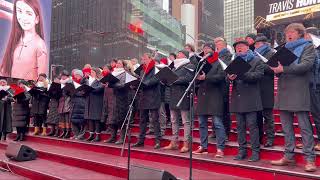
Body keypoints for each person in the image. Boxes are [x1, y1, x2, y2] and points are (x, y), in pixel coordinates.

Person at [270, 23, 317, 172]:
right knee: (286, 128)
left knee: (304, 127)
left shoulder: (308, 47)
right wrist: (276, 69)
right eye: (286, 33)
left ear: (299, 33)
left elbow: (306, 65)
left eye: (291, 32)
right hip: (284, 90)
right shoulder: (283, 49)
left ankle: (310, 159)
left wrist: (284, 69)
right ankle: (288, 156)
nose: (288, 35)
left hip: (299, 90)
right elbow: (279, 69)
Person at [229, 40, 264, 162]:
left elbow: (258, 76)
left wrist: (242, 74)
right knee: (240, 127)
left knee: (252, 126)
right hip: (237, 98)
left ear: (247, 48)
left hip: (251, 99)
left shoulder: (256, 60)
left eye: (241, 47)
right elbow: (227, 76)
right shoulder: (234, 61)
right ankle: (242, 151)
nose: (238, 49)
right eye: (237, 47)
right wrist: (229, 77)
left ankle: (255, 152)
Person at [192, 43, 226, 157]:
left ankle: (220, 148)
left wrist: (206, 77)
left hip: (215, 95)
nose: (205, 50)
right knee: (202, 123)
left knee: (217, 123)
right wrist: (197, 78)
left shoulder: (219, 62)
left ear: (213, 50)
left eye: (208, 49)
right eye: (204, 49)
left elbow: (221, 76)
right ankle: (203, 146)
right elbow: (196, 79)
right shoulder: (201, 63)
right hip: (202, 95)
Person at [0, 0, 48, 80]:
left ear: (37, 19)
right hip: (10, 89)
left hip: (25, 91)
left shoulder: (39, 45)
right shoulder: (15, 40)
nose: (23, 18)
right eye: (19, 11)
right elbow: (4, 70)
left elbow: (41, 81)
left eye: (28, 13)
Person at [163, 50, 195, 153]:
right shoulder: (174, 67)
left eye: (180, 53)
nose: (177, 55)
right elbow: (169, 82)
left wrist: (173, 80)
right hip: (173, 95)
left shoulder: (190, 65)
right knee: (173, 120)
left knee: (186, 121)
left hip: (183, 94)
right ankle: (174, 142)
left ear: (185, 55)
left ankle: (186, 143)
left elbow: (188, 78)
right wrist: (165, 80)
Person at [132, 53, 161, 149]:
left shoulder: (156, 68)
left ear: (150, 59)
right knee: (142, 120)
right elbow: (140, 81)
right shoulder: (141, 70)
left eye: (145, 59)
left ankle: (158, 141)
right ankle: (141, 140)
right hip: (143, 97)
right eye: (142, 59)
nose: (143, 61)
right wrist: (134, 86)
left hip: (153, 97)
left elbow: (155, 80)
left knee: (155, 120)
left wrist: (143, 84)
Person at [254, 36, 276, 147]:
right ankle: (258, 138)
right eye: (255, 44)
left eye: (258, 44)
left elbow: (272, 69)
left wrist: (259, 65)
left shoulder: (271, 53)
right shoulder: (253, 55)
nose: (256, 46)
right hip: (256, 88)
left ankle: (270, 138)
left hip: (267, 88)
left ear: (264, 44)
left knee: (268, 116)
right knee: (257, 115)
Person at [104, 60, 129, 144]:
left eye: (119, 63)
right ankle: (113, 136)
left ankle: (122, 138)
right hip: (112, 98)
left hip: (121, 98)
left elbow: (123, 85)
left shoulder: (125, 73)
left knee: (121, 118)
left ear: (123, 65)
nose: (117, 64)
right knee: (112, 118)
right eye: (117, 63)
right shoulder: (113, 73)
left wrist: (112, 85)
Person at [304, 27, 320, 151]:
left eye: (306, 35)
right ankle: (309, 140)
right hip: (307, 85)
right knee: (308, 114)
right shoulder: (308, 49)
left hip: (316, 85)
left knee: (317, 113)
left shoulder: (317, 49)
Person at [214, 37, 233, 140]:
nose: (218, 46)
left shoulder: (229, 56)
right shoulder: (214, 56)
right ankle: (215, 130)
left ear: (225, 46)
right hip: (214, 85)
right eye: (216, 45)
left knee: (224, 109)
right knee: (214, 109)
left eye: (220, 45)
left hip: (223, 84)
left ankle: (226, 131)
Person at [84, 68, 105, 142]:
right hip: (89, 100)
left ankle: (98, 135)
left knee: (96, 119)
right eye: (91, 72)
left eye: (93, 72)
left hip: (97, 101)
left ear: (97, 73)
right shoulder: (88, 80)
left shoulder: (100, 80)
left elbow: (100, 88)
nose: (91, 73)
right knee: (90, 119)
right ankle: (91, 134)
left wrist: (90, 89)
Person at [70, 69, 87, 140]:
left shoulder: (85, 81)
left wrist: (75, 93)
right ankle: (76, 134)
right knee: (73, 119)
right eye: (75, 75)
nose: (76, 76)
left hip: (82, 103)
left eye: (78, 75)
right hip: (73, 103)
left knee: (82, 120)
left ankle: (81, 135)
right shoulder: (72, 82)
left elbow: (84, 92)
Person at [57, 70, 73, 138]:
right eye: (62, 76)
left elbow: (72, 93)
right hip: (61, 101)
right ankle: (63, 131)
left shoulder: (70, 82)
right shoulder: (60, 83)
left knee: (67, 118)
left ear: (67, 76)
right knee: (62, 118)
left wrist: (67, 91)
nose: (63, 77)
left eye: (64, 76)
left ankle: (68, 131)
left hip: (67, 101)